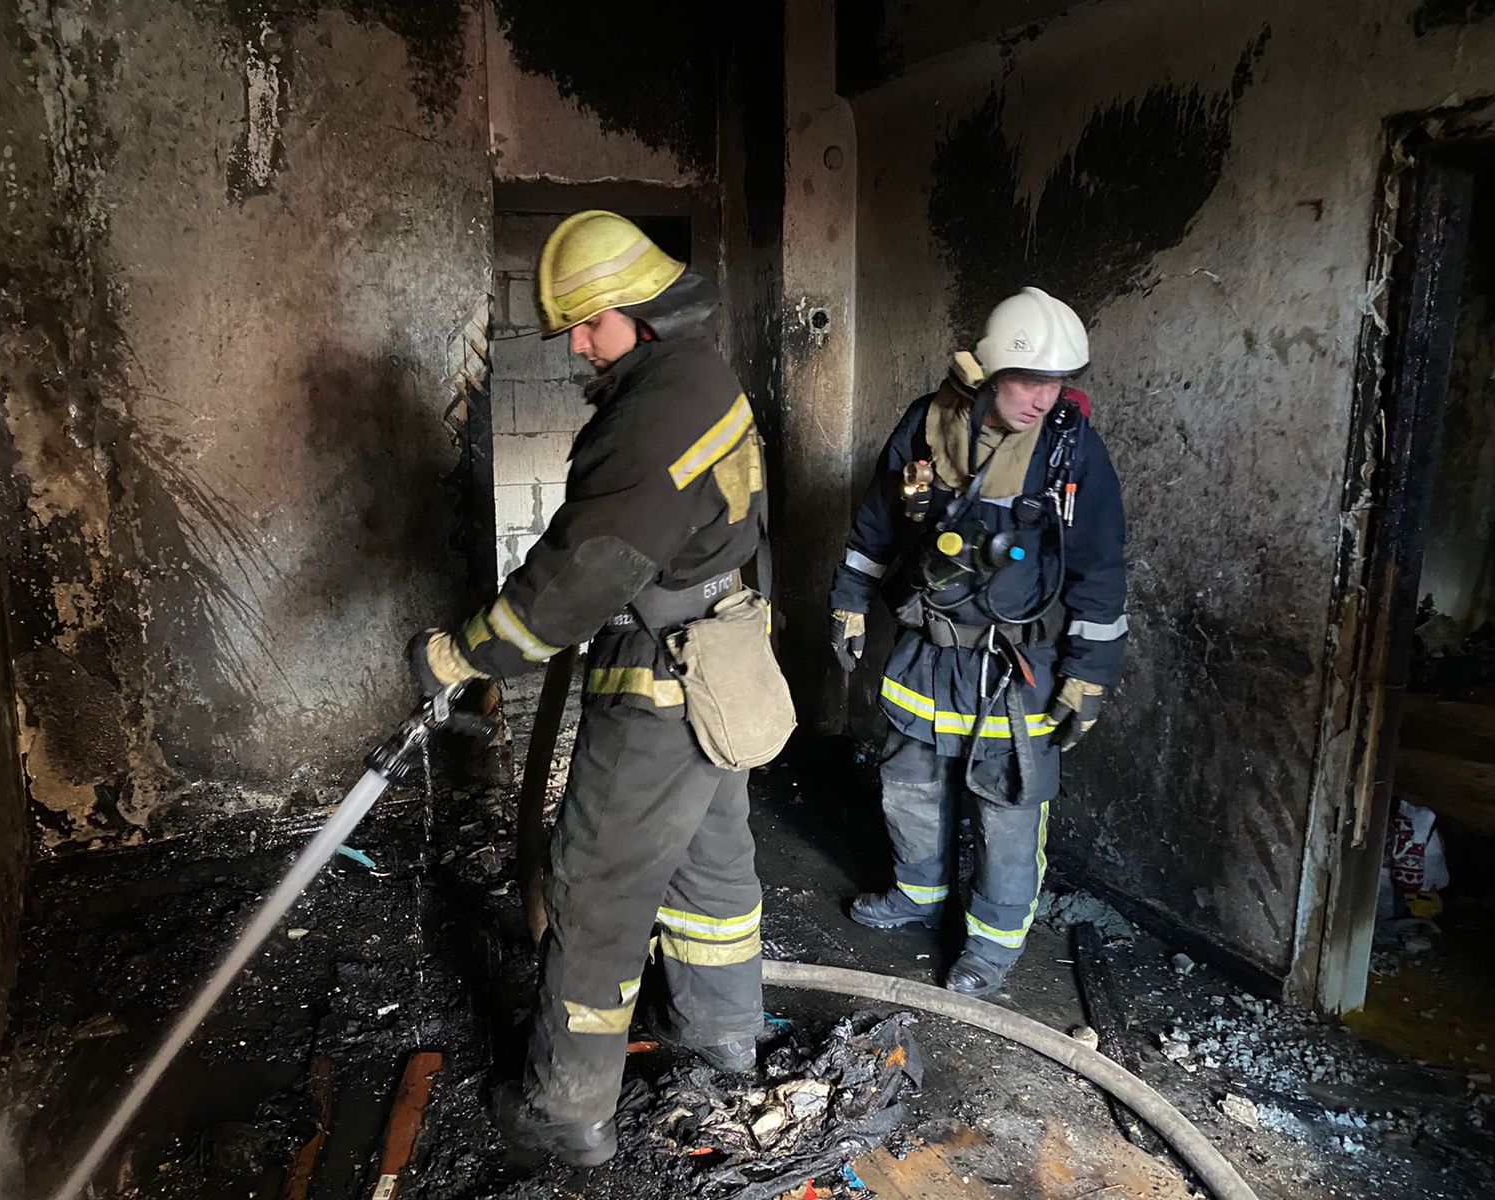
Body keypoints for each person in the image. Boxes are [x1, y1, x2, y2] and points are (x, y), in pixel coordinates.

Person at [407, 211, 769, 1166]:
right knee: (710, 865)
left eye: (587, 322)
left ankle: (567, 1110)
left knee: (597, 887)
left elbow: (579, 574)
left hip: (662, 678)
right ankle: (722, 1030)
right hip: (721, 667)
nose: (574, 343)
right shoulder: (698, 375)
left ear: (638, 309)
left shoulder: (657, 408)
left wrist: (465, 657)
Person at [829, 287, 1127, 998]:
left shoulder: (1070, 452)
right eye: (1029, 379)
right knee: (909, 786)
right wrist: (848, 604)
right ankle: (917, 894)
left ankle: (991, 948)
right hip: (927, 653)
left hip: (1016, 667)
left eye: (1057, 381)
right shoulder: (927, 427)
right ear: (990, 371)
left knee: (1009, 810)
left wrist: (1088, 676)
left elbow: (1101, 570)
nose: (1043, 397)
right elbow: (877, 524)